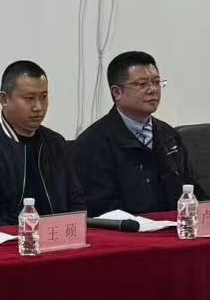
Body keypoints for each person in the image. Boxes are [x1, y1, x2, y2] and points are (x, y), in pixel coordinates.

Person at [0, 60, 85, 229]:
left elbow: (77, 204)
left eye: (43, 97)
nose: (38, 107)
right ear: (4, 99)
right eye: (29, 98)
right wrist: (29, 237)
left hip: (58, 238)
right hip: (10, 242)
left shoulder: (55, 143)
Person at [75, 50, 202, 216]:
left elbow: (192, 191)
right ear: (117, 92)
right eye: (142, 84)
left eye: (156, 82)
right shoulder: (92, 143)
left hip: (175, 226)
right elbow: (100, 207)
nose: (153, 90)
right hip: (130, 230)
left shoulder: (169, 135)